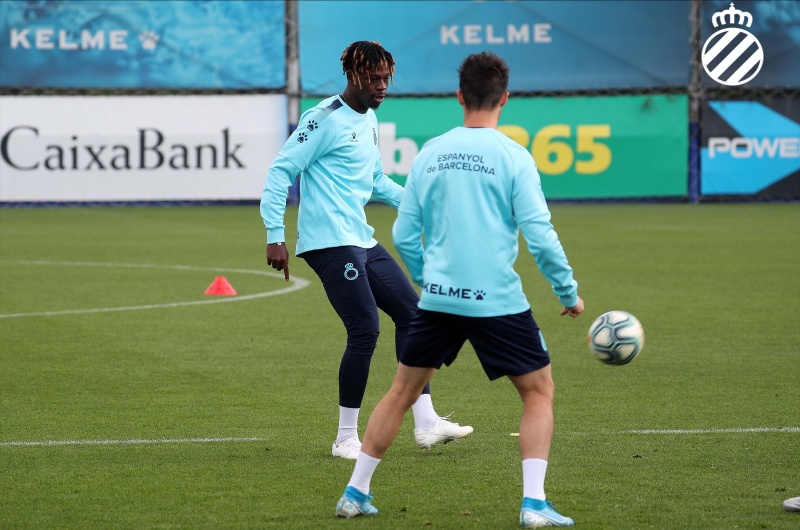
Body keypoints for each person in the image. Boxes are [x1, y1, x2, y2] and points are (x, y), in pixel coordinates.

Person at [335, 51, 584, 527]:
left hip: (440, 299)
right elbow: (540, 235)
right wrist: (567, 293)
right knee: (538, 392)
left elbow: (405, 234)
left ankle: (355, 492)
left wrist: (428, 280)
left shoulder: (430, 153)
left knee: (401, 392)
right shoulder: (514, 156)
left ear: (459, 96)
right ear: (504, 99)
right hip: (497, 300)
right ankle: (534, 504)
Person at [260, 41, 472, 460]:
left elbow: (376, 181)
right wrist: (275, 234)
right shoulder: (323, 119)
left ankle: (427, 421)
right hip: (329, 241)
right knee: (365, 329)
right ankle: (345, 438)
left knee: (413, 315)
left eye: (386, 79)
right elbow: (281, 170)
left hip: (360, 238)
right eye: (373, 79)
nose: (381, 86)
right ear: (352, 76)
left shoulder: (370, 118)